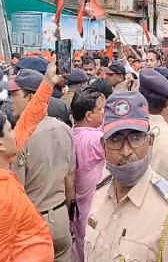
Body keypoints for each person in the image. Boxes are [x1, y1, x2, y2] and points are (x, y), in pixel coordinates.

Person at [85, 91, 168, 262]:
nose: (126, 151)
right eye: (116, 139)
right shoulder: (99, 195)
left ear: (150, 141)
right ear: (103, 146)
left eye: (135, 138)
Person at [8, 69, 75, 262]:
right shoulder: (65, 129)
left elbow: (16, 192)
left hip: (32, 226)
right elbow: (71, 181)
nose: (11, 100)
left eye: (15, 94)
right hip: (61, 217)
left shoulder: (18, 139)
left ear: (30, 98)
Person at [0, 56, 60, 262]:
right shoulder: (3, 197)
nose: (15, 133)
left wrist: (48, 83)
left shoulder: (4, 166)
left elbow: (28, 121)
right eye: (10, 130)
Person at [70, 87, 106, 262]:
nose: (104, 113)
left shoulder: (71, 135)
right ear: (89, 115)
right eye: (101, 109)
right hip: (93, 208)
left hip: (76, 209)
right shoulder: (94, 140)